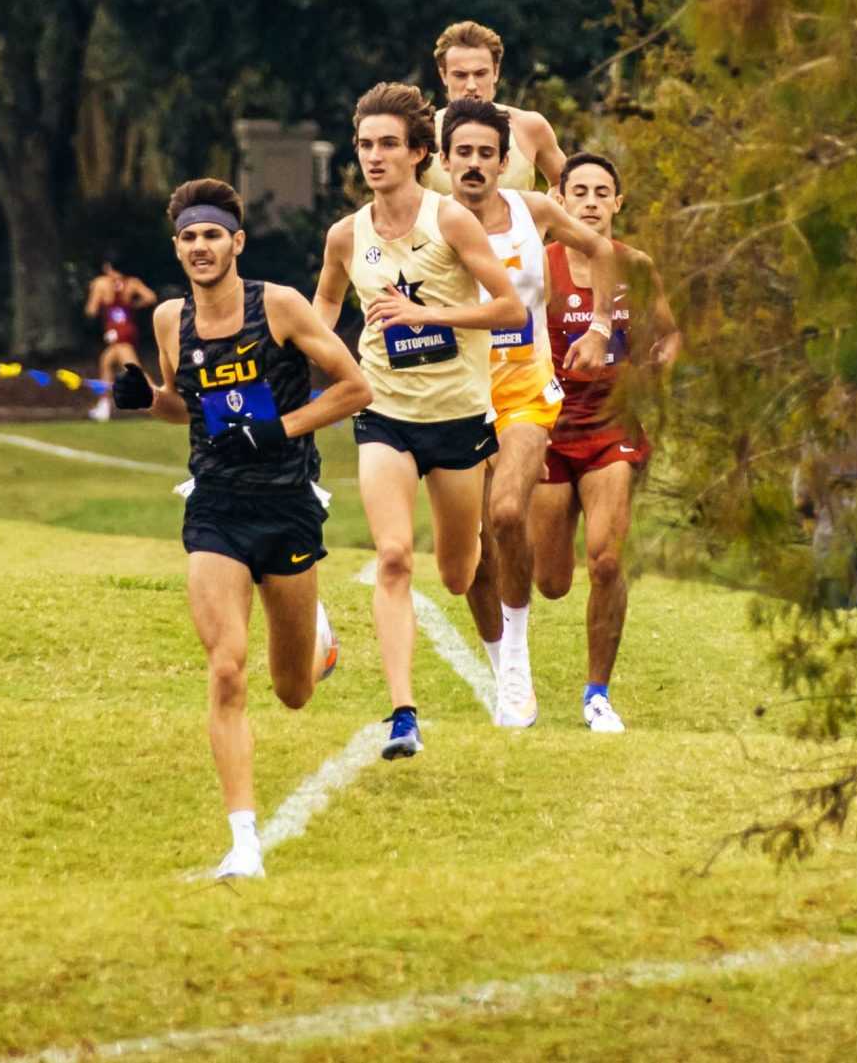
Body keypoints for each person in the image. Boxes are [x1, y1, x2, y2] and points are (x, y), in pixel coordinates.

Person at [114, 178, 372, 879]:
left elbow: (355, 388)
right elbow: (187, 408)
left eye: (212, 235)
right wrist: (149, 400)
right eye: (189, 237)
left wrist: (278, 428)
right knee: (227, 664)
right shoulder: (171, 320)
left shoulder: (279, 306)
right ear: (177, 247)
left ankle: (315, 634)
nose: (201, 247)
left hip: (286, 502)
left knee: (292, 691)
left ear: (236, 242)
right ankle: (244, 840)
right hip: (216, 507)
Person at [311, 82, 526, 760]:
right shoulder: (346, 234)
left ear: (417, 153)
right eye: (365, 145)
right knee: (395, 557)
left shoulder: (451, 221)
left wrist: (428, 315)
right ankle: (403, 712)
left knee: (460, 570)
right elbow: (324, 305)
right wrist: (308, 357)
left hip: (459, 417)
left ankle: (486, 622)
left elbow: (510, 310)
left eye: (387, 145)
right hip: (385, 412)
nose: (374, 157)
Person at [437, 101, 621, 728]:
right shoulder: (431, 225)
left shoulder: (533, 211)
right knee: (465, 561)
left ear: (504, 161)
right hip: (455, 398)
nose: (475, 163)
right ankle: (500, 663)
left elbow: (607, 251)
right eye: (463, 152)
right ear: (443, 161)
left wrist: (599, 327)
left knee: (508, 511)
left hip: (525, 391)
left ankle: (515, 655)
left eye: (487, 153)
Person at [533, 152, 681, 733]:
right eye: (580, 191)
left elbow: (669, 334)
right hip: (546, 428)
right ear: (560, 200)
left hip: (611, 428)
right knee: (552, 581)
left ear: (618, 203)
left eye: (602, 192)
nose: (591, 202)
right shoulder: (540, 264)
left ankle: (597, 695)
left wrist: (656, 367)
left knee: (607, 559)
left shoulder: (637, 266)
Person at [419, 20, 567, 196]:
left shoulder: (529, 126)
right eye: (460, 75)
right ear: (443, 75)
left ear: (496, 71)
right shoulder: (423, 130)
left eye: (480, 74)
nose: (471, 85)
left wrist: (544, 215)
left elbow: (568, 183)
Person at [85, 259, 157, 422]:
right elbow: (151, 297)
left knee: (133, 368)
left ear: (107, 267)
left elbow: (91, 310)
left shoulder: (101, 283)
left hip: (114, 331)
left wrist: (93, 293)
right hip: (128, 329)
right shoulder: (132, 283)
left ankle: (157, 399)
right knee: (106, 362)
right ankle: (103, 406)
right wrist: (133, 305)